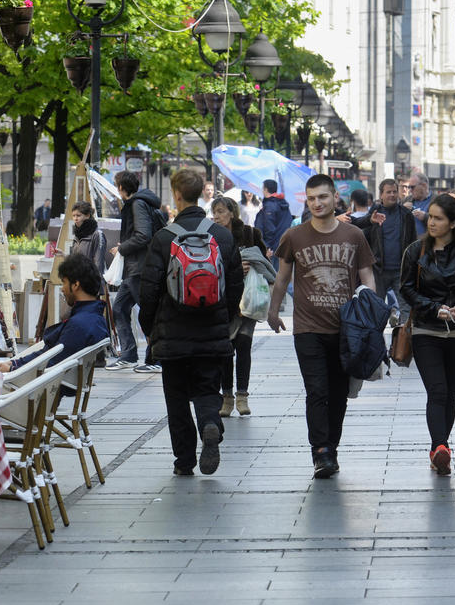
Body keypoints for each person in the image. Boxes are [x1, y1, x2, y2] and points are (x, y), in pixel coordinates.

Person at [266, 173, 376, 479]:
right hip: (308, 328)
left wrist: (372, 314)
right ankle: (321, 452)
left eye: (323, 197)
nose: (317, 203)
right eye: (311, 198)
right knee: (316, 390)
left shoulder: (354, 235)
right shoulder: (294, 236)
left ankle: (332, 448)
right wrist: (273, 312)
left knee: (339, 392)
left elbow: (367, 276)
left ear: (335, 199)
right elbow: (282, 278)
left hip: (346, 329)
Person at [139, 169, 243, 476]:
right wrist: (226, 319)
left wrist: (150, 329)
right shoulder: (222, 236)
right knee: (207, 388)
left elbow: (149, 290)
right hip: (212, 331)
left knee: (176, 398)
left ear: (177, 194)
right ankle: (210, 422)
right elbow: (235, 284)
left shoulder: (164, 237)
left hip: (172, 333)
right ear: (201, 194)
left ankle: (184, 460)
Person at [399, 194, 455, 475]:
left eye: (438, 218)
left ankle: (442, 450)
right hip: (426, 329)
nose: (431, 222)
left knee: (451, 393)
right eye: (431, 217)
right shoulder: (416, 251)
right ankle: (440, 446)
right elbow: (406, 289)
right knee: (437, 391)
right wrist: (433, 307)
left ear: (452, 223)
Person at [0, 253, 109, 373]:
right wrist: (16, 362)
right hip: (48, 380)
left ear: (76, 285)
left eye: (64, 282)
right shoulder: (95, 318)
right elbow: (50, 355)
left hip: (40, 384)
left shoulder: (79, 325)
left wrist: (13, 368)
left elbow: (52, 362)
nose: (62, 288)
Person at [210, 196, 270, 417]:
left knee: (244, 345)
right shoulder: (211, 236)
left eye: (220, 211)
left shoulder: (250, 234)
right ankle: (227, 397)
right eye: (214, 211)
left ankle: (242, 396)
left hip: (249, 297)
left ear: (232, 212)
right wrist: (234, 268)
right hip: (224, 300)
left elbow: (264, 260)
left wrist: (253, 262)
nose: (216, 216)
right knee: (226, 350)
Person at [109, 170, 162, 373]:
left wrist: (122, 248)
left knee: (148, 314)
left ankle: (156, 359)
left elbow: (143, 236)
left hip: (139, 268)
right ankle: (129, 355)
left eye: (117, 185)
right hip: (134, 267)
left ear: (121, 187)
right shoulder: (139, 203)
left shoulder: (137, 204)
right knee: (120, 309)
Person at [347, 179, 416, 319]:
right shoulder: (375, 213)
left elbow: (413, 242)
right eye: (388, 192)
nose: (392, 195)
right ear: (381, 194)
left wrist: (413, 266)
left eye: (394, 192)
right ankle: (376, 340)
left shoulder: (406, 214)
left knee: (406, 311)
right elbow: (358, 225)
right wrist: (368, 221)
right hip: (379, 270)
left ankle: (403, 340)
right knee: (376, 312)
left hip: (401, 271)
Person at [254, 179, 293, 267]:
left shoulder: (270, 205)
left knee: (272, 275)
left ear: (266, 189)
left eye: (263, 188)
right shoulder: (282, 204)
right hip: (281, 244)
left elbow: (269, 229)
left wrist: (267, 247)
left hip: (272, 248)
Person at [68, 200, 107, 271]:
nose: (75, 219)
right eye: (73, 216)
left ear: (87, 215)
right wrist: (62, 255)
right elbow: (74, 260)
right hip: (78, 278)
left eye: (78, 215)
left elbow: (98, 263)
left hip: (90, 279)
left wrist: (95, 280)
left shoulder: (97, 234)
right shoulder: (77, 235)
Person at [403, 170, 433, 236]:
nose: (410, 190)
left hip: (428, 243)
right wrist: (402, 209)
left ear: (424, 186)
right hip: (410, 243)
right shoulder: (407, 199)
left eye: (412, 187)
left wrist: (425, 217)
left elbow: (442, 220)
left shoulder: (436, 200)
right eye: (409, 187)